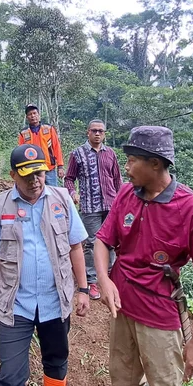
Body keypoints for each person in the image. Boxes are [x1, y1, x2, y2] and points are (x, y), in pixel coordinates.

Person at [93, 126, 193, 386]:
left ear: (155, 163)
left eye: (132, 160)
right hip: (122, 309)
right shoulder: (126, 194)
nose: (126, 168)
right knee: (126, 379)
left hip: (159, 314)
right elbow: (103, 241)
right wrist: (104, 280)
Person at [0, 144, 91, 386]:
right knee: (10, 377)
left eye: (39, 172)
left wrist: (83, 290)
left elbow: (76, 246)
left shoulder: (61, 200)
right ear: (13, 174)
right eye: (27, 174)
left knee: (56, 361)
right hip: (15, 306)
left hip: (55, 301)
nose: (34, 179)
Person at [64, 119, 122, 300]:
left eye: (101, 131)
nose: (98, 134)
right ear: (87, 132)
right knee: (91, 243)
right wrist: (72, 193)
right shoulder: (77, 154)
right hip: (90, 206)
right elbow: (68, 178)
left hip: (110, 205)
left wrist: (122, 202)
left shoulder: (110, 154)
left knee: (110, 242)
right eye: (94, 131)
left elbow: (117, 180)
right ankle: (92, 281)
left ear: (105, 134)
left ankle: (109, 276)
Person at [18, 104, 65, 187]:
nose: (32, 116)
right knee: (35, 194)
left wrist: (60, 166)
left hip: (49, 168)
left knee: (52, 193)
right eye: (30, 114)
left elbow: (56, 147)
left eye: (34, 113)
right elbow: (21, 152)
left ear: (38, 115)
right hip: (32, 170)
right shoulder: (24, 133)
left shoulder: (48, 128)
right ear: (27, 117)